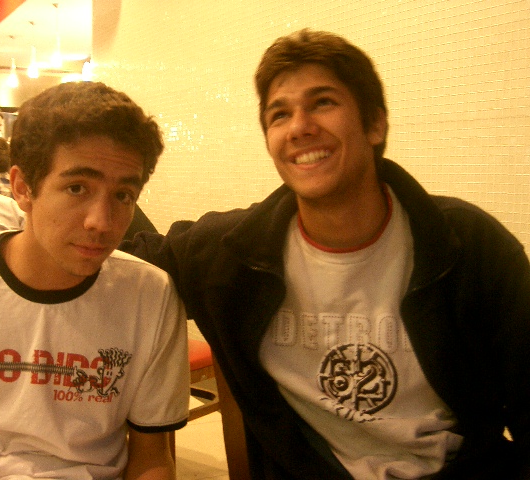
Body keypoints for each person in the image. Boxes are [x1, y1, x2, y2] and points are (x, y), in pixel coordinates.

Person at [120, 29, 530, 479]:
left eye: (323, 103)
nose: (299, 127)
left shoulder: (469, 248)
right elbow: (117, 258)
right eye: (279, 114)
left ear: (375, 125)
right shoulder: (231, 254)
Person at [0, 81, 189, 479]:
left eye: (123, 195)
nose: (101, 222)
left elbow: (152, 457)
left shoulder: (150, 294)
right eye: (77, 188)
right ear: (22, 188)